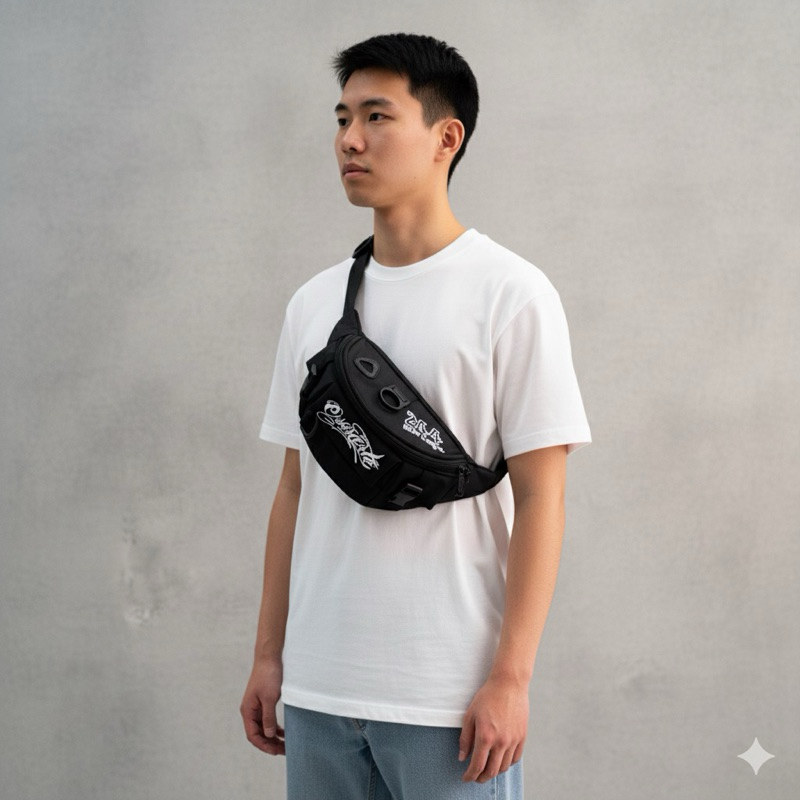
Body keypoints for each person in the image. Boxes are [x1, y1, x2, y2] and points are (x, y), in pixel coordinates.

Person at [240, 32, 592, 799]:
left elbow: (543, 495)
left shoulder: (511, 293)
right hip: (320, 690)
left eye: (376, 116)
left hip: (448, 697)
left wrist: (511, 679)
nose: (349, 139)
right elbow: (294, 490)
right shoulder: (313, 304)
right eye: (342, 119)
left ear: (445, 137)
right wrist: (270, 656)